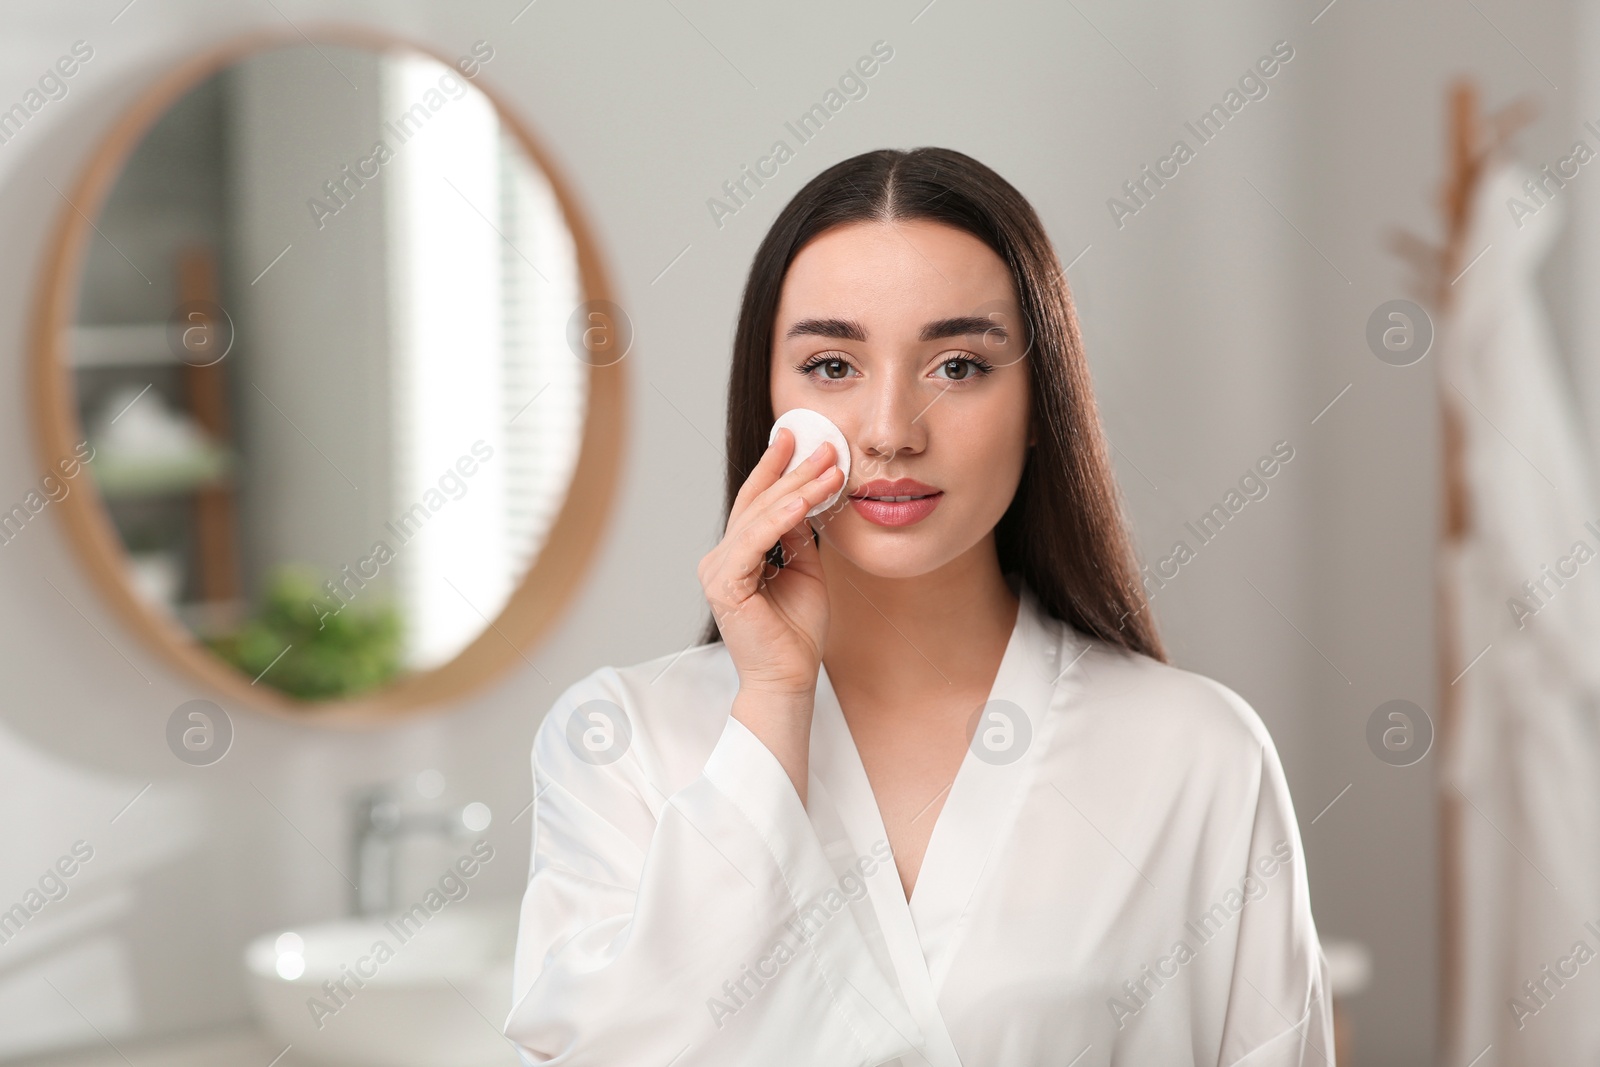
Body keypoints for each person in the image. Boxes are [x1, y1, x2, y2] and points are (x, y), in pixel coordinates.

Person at [503, 147, 1332, 1065]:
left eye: (960, 367)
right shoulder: (617, 741)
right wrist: (774, 703)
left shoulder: (1198, 751)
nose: (892, 431)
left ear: (1037, 397)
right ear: (767, 393)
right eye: (831, 365)